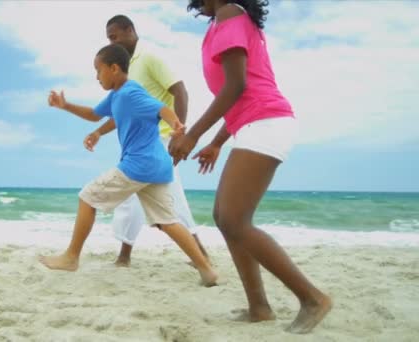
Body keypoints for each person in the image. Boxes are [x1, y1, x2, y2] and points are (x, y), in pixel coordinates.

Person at [169, 0, 331, 333]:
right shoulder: (222, 22)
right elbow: (239, 96)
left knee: (234, 218)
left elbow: (238, 86)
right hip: (253, 123)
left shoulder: (230, 13)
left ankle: (313, 299)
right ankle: (259, 307)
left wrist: (194, 136)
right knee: (225, 217)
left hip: (268, 122)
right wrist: (216, 142)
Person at [39, 44, 217, 287]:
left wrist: (176, 125)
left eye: (98, 70)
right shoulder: (116, 95)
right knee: (167, 221)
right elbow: (94, 114)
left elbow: (161, 108)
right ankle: (207, 270)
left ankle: (71, 257)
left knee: (87, 197)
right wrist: (65, 105)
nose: (96, 77)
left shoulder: (131, 92)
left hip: (138, 165)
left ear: (114, 69)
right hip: (156, 166)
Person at [82, 15, 210, 267]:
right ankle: (127, 256)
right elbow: (126, 111)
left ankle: (196, 256)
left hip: (160, 139)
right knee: (140, 200)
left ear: (130, 30)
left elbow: (180, 91)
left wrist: (179, 133)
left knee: (159, 199)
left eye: (115, 36)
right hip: (143, 143)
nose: (112, 42)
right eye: (109, 38)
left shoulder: (149, 57)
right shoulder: (126, 69)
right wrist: (99, 132)